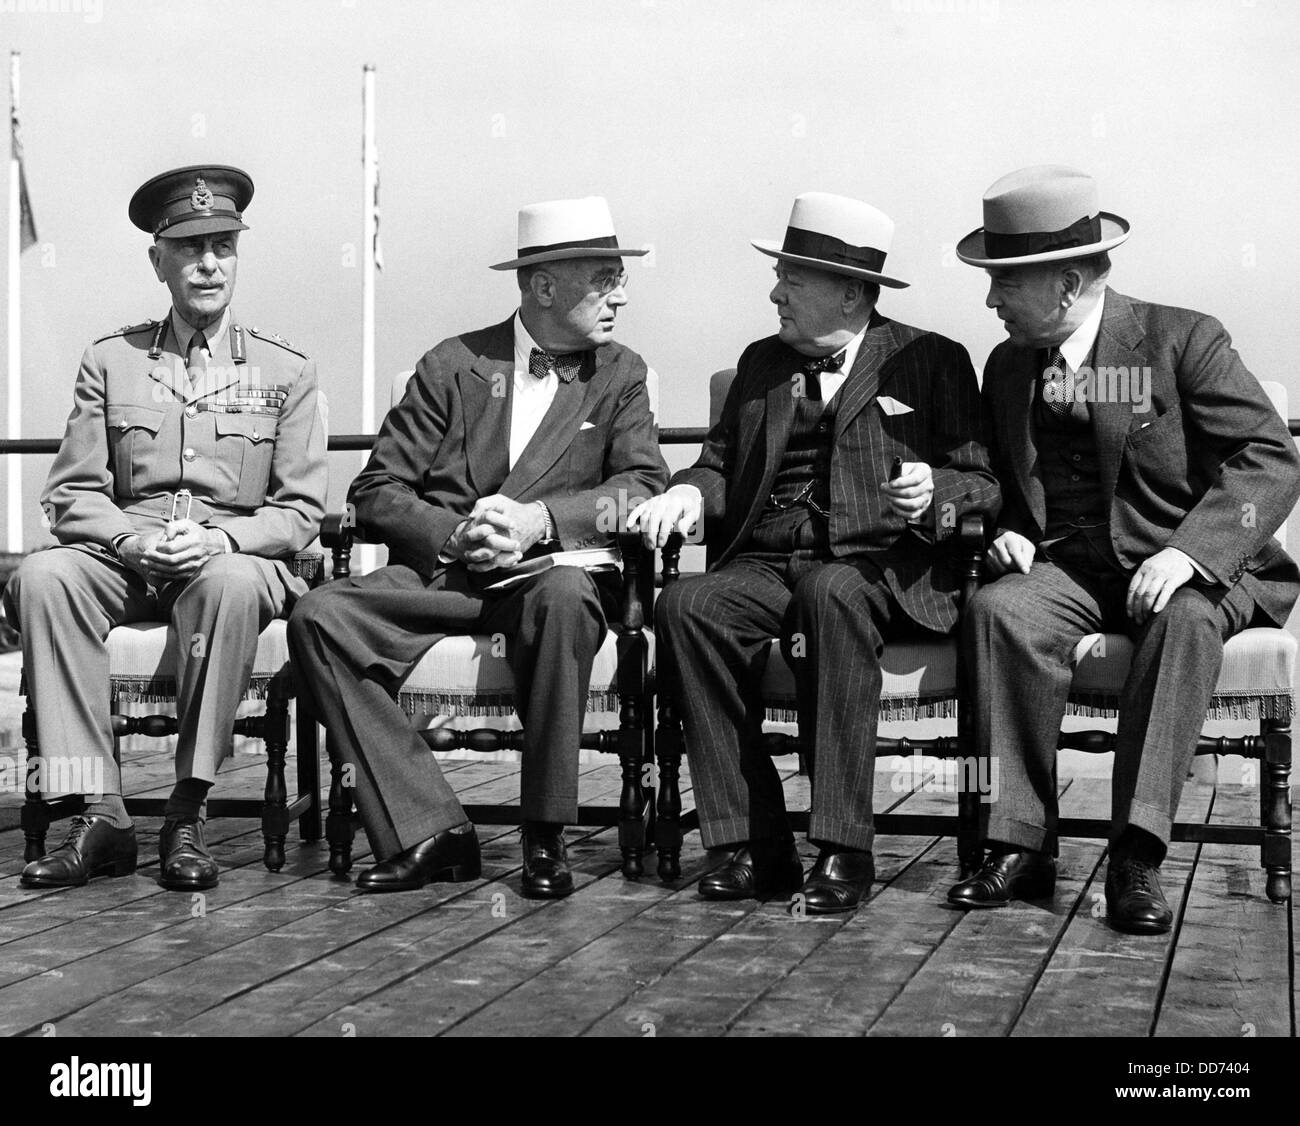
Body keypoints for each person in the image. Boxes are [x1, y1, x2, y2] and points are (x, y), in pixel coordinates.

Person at [946, 165, 1300, 933]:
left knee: (1183, 623)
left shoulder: (1181, 340)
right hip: (1073, 568)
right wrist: (1006, 521)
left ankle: (1136, 856)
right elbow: (1003, 473)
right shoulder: (1009, 366)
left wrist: (1190, 556)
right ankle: (1019, 844)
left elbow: (1269, 458)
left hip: (1193, 565)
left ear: (1067, 284)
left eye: (1004, 281)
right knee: (1000, 610)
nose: (990, 300)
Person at [289, 196, 668, 898]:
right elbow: (375, 488)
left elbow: (642, 487)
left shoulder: (620, 373)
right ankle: (430, 826)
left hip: (549, 579)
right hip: (450, 578)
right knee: (319, 617)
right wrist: (454, 533)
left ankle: (545, 835)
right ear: (544, 286)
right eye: (605, 276)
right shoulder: (452, 364)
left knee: (562, 599)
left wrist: (539, 523)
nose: (623, 293)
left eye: (620, 275)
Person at [633, 193, 999, 914]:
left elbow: (982, 482)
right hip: (766, 562)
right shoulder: (761, 363)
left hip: (879, 565)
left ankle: (842, 848)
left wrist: (936, 492)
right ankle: (750, 844)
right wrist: (687, 495)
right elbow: (717, 463)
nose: (775, 293)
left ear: (853, 293)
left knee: (828, 592)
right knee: (686, 605)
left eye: (792, 280)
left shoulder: (931, 361)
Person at [7, 164, 327, 891]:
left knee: (232, 585)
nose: (209, 263)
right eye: (189, 247)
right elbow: (70, 493)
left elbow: (302, 510)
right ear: (159, 260)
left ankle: (187, 813)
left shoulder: (287, 370)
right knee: (45, 575)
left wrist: (221, 541)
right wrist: (130, 540)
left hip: (229, 558)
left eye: (223, 246)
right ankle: (104, 813)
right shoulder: (110, 360)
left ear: (238, 256)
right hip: (128, 558)